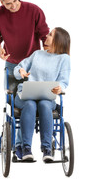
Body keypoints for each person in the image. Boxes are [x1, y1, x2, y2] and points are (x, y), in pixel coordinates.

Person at [0, 0, 49, 157]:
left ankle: (30, 142)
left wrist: (49, 59)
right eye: (8, 3)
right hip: (12, 65)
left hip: (34, 65)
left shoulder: (34, 10)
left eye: (15, 0)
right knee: (16, 104)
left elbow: (45, 35)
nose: (13, 6)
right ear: (2, 2)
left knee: (34, 103)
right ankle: (15, 142)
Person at [13, 27, 71, 162]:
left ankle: (47, 149)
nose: (47, 36)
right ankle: (26, 147)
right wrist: (21, 71)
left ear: (58, 40)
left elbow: (64, 81)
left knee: (45, 105)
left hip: (46, 97)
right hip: (26, 95)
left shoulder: (64, 59)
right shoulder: (37, 54)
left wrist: (59, 88)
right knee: (30, 105)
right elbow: (18, 68)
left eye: (51, 35)